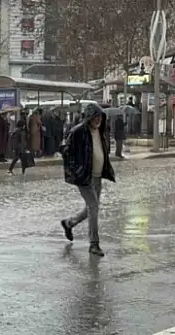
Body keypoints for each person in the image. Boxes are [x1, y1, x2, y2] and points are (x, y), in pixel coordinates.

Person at [60, 103, 116, 257]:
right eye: (95, 117)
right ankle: (94, 244)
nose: (98, 120)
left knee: (91, 208)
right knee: (94, 207)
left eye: (100, 117)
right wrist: (76, 171)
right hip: (84, 177)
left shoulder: (101, 131)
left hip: (97, 176)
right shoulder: (79, 131)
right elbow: (66, 151)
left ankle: (69, 223)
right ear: (89, 117)